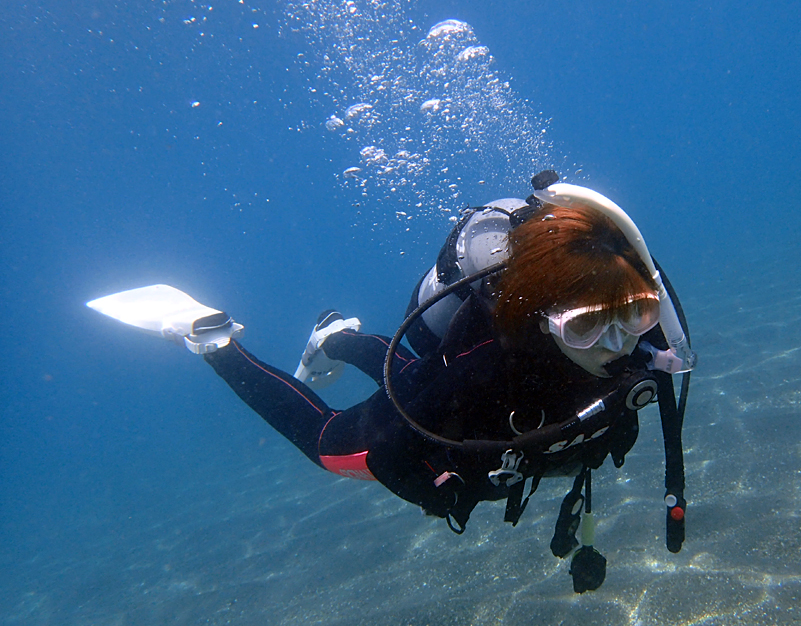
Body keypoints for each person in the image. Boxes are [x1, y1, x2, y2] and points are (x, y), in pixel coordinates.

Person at [87, 172, 695, 593]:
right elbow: (384, 451)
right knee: (331, 446)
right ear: (541, 322)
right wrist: (431, 483)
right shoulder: (476, 379)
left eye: (634, 315)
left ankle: (335, 335)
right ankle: (211, 341)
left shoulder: (653, 348)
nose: (621, 347)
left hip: (453, 387)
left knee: (406, 374)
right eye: (590, 327)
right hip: (454, 397)